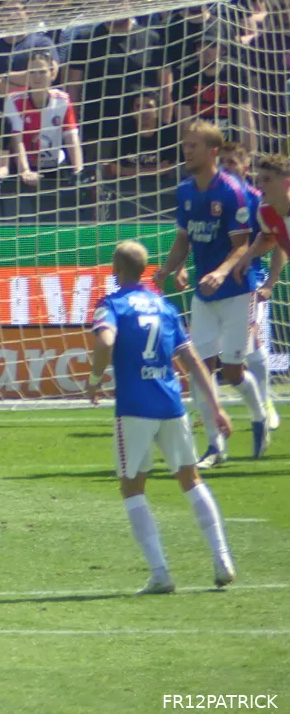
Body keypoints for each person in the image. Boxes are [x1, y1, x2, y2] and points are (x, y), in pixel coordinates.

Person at [88, 238, 236, 593]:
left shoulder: (111, 304)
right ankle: (222, 558)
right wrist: (215, 408)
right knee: (191, 480)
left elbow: (105, 342)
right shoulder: (164, 306)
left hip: (135, 409)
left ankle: (161, 573)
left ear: (116, 270)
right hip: (171, 405)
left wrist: (94, 380)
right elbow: (193, 361)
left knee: (131, 487)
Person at [152, 121, 266, 467]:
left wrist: (220, 271)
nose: (187, 151)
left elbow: (241, 246)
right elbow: (183, 240)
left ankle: (259, 415)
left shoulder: (232, 192)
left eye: (194, 146)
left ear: (213, 151)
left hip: (235, 292)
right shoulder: (186, 191)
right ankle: (215, 447)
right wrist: (167, 269)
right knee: (201, 369)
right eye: (186, 145)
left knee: (232, 370)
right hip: (203, 294)